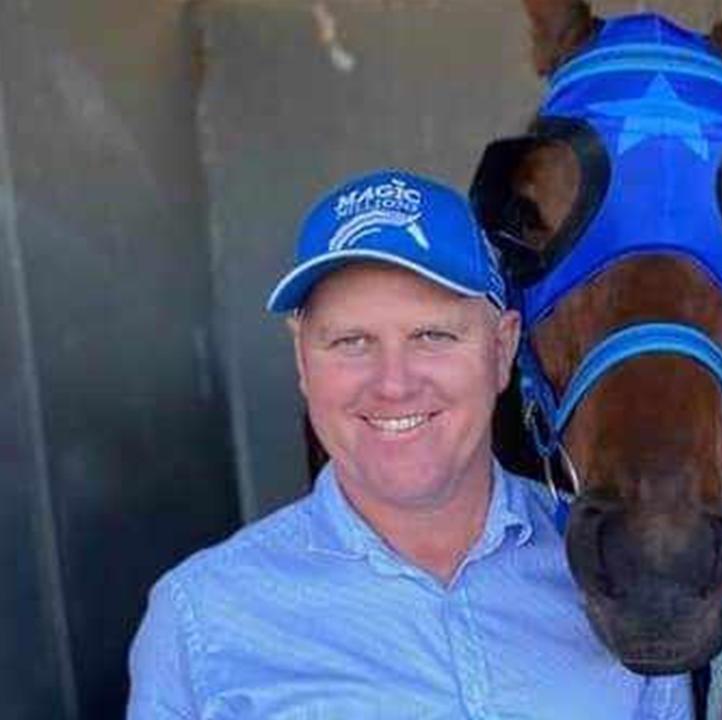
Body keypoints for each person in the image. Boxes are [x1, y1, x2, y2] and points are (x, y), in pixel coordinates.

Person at [127, 169, 691, 718]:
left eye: (432, 336)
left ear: (502, 351)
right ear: (302, 361)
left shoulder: (616, 564)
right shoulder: (200, 616)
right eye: (351, 341)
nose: (393, 383)